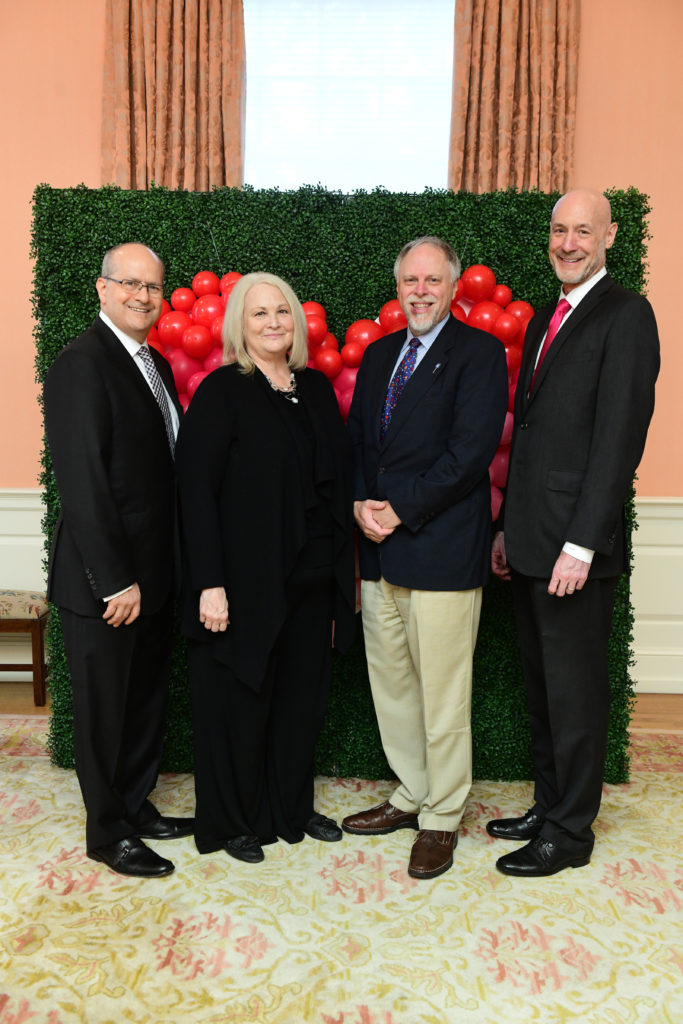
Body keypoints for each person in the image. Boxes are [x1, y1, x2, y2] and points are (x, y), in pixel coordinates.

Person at [487, 189, 660, 877]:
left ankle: (569, 834)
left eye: (581, 231)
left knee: (575, 694)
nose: (567, 243)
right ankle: (548, 804)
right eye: (558, 230)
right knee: (541, 686)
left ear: (608, 236)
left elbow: (618, 441)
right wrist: (507, 528)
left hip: (573, 549)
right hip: (529, 537)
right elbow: (526, 440)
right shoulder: (543, 320)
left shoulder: (626, 315)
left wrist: (580, 544)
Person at [342, 237, 508, 880]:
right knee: (394, 687)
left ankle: (441, 816)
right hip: (378, 553)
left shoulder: (480, 353)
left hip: (438, 549)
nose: (420, 291)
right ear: (398, 283)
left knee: (442, 694)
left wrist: (397, 510)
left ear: (453, 286)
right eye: (410, 279)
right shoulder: (382, 353)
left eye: (432, 281)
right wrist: (360, 501)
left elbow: (468, 457)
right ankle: (411, 793)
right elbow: (358, 440)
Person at [175, 272, 355, 864]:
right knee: (242, 699)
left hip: (312, 580)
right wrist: (210, 583)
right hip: (244, 581)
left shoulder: (319, 389)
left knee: (301, 700)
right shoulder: (222, 391)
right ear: (239, 326)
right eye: (259, 314)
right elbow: (195, 494)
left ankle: (290, 810)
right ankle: (236, 822)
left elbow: (335, 488)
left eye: (283, 311)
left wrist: (340, 583)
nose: (274, 322)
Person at [44, 243, 194, 878]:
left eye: (153, 287)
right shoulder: (82, 363)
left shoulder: (152, 361)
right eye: (129, 284)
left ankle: (136, 805)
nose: (142, 296)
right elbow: (83, 484)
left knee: (143, 701)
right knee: (105, 711)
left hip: (156, 573)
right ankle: (108, 832)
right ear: (101, 289)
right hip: (108, 582)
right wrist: (114, 580)